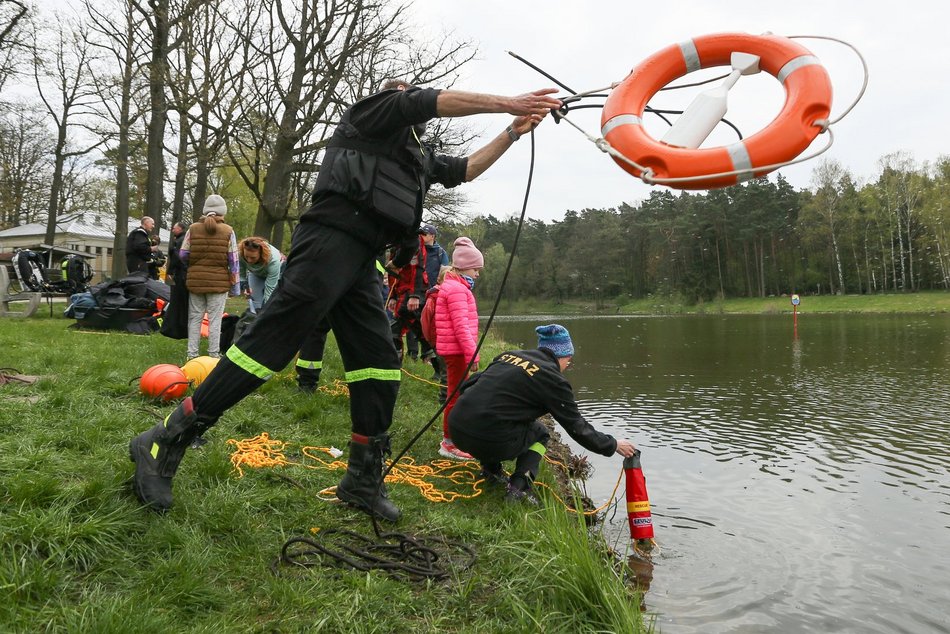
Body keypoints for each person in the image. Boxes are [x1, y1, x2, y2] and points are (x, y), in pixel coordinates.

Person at [128, 79, 562, 522]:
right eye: (405, 95)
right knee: (271, 345)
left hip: (363, 259)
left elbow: (466, 169)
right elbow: (426, 102)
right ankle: (164, 440)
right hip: (329, 240)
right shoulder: (370, 115)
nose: (408, 100)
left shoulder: (417, 158)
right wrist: (509, 99)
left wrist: (513, 130)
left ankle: (362, 479)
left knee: (379, 365)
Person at [448, 324, 637, 504]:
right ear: (562, 356)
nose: (568, 366)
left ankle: (490, 470)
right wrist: (613, 444)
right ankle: (519, 487)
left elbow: (469, 385)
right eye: (569, 360)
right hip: (486, 440)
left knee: (501, 415)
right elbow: (577, 428)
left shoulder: (509, 356)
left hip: (456, 429)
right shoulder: (553, 379)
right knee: (541, 434)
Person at [434, 237, 483, 460]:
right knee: (455, 397)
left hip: (455, 350)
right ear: (464, 267)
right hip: (457, 352)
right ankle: (449, 443)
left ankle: (455, 438)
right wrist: (472, 353)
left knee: (458, 394)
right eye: (476, 269)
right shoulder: (456, 290)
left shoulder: (455, 286)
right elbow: (461, 325)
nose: (477, 274)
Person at [179, 194, 239, 360]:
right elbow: (233, 260)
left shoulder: (193, 229)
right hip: (219, 282)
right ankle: (213, 354)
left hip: (195, 281)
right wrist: (235, 286)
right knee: (215, 320)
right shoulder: (228, 231)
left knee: (195, 318)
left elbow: (183, 254)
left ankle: (192, 355)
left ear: (205, 210)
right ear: (223, 212)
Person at [239, 236, 284, 311]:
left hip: (277, 272)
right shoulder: (240, 254)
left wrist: (265, 311)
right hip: (256, 273)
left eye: (253, 257)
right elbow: (241, 274)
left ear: (261, 254)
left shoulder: (273, 260)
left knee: (271, 300)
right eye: (247, 257)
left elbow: (270, 289)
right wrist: (245, 286)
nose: (249, 261)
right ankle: (254, 319)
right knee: (255, 299)